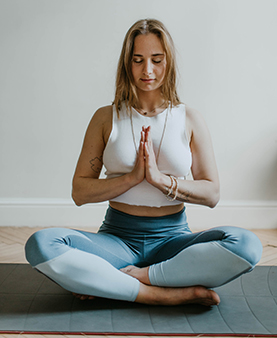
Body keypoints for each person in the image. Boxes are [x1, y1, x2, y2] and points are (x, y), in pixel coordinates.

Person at [25, 19, 262, 307]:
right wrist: (131, 178)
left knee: (247, 245)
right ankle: (160, 293)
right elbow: (80, 192)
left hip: (174, 242)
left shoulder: (189, 118)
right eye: (138, 60)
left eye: (156, 60)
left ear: (169, 62)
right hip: (117, 241)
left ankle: (127, 279)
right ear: (127, 64)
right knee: (41, 244)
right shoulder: (105, 117)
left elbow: (212, 194)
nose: (147, 70)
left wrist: (160, 180)